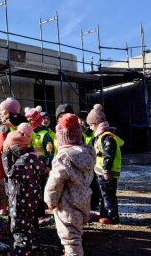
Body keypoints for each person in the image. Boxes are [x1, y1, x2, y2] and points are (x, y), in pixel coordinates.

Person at [44, 113, 96, 256]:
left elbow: (55, 182)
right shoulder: (88, 154)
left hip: (67, 205)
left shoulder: (63, 157)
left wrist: (50, 201)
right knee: (77, 233)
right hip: (83, 200)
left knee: (70, 239)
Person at [2, 123, 45, 255]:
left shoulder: (23, 161)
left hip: (22, 199)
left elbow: (10, 172)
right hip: (31, 198)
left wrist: (5, 156)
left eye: (9, 149)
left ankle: (21, 251)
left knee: (19, 227)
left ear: (16, 149)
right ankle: (26, 248)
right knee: (27, 225)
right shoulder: (34, 158)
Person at [87, 104, 124, 225]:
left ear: (97, 124)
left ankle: (112, 217)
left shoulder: (107, 138)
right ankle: (104, 214)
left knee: (108, 195)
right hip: (101, 171)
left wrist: (106, 170)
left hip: (107, 172)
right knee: (103, 194)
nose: (91, 128)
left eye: (91, 125)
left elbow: (109, 155)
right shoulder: (100, 136)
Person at [77, 110, 100, 213]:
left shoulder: (93, 133)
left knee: (93, 183)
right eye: (80, 120)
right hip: (81, 162)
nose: (82, 123)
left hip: (93, 161)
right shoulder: (76, 132)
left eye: (83, 121)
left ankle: (94, 203)